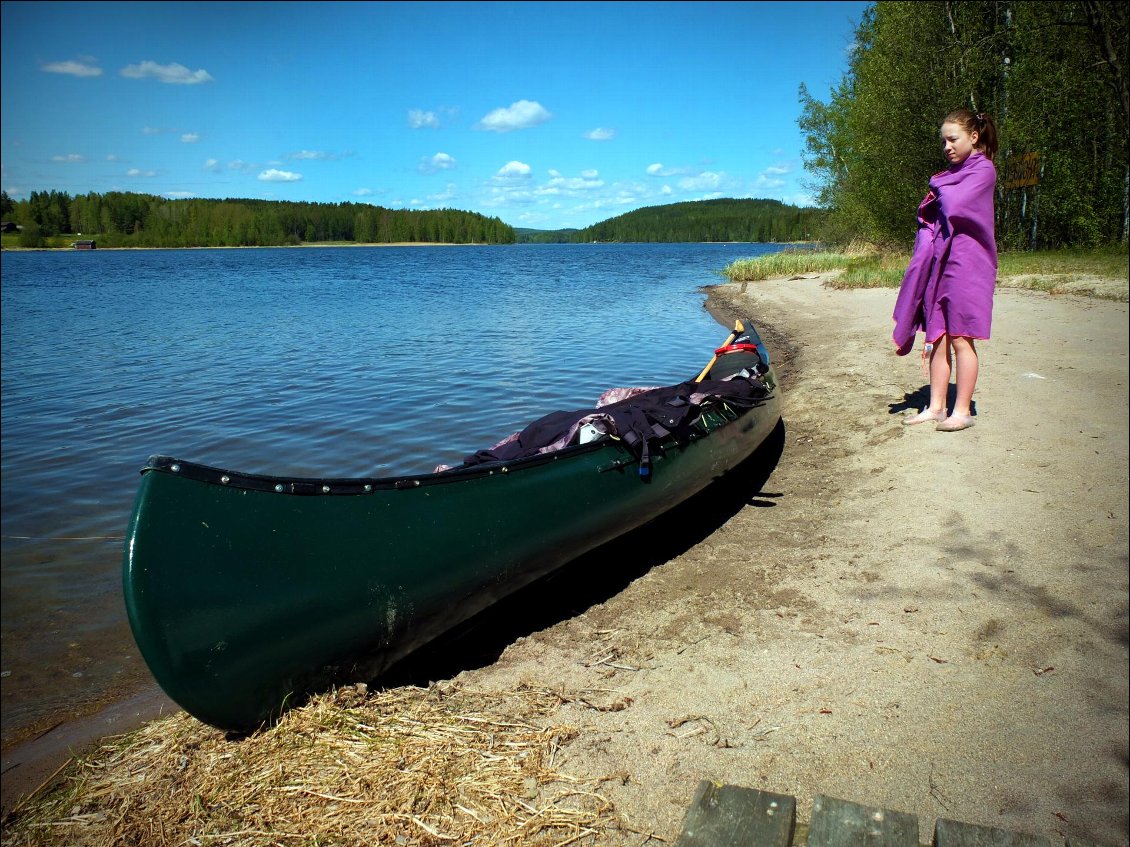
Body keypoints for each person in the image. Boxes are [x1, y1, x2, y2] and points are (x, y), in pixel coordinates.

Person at [892, 108, 998, 432]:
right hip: (943, 260)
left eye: (953, 139)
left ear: (974, 137)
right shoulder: (949, 176)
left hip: (969, 262)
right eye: (944, 142)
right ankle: (937, 406)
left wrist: (937, 187)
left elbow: (955, 205)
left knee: (962, 339)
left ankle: (962, 410)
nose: (947, 147)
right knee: (937, 336)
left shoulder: (983, 170)